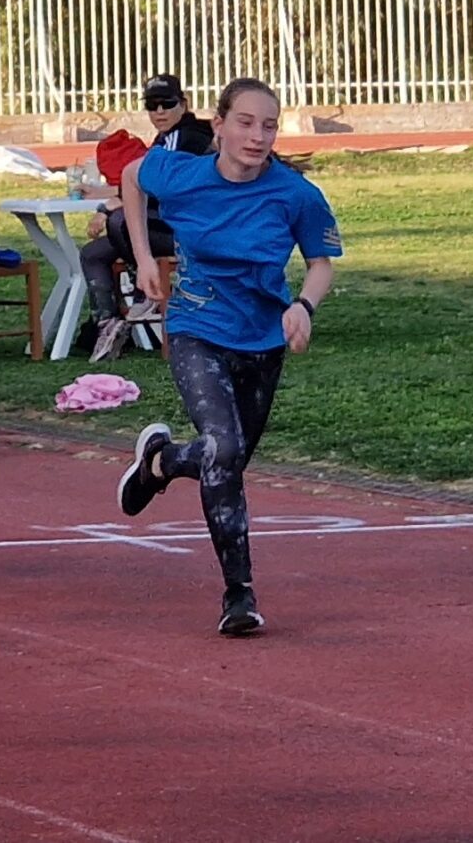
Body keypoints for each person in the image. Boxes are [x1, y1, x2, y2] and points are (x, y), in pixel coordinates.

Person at [114, 77, 341, 637]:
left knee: (228, 460)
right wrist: (143, 257)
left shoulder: (296, 195)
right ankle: (238, 594)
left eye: (269, 125)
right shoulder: (183, 173)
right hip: (196, 327)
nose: (257, 136)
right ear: (217, 125)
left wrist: (304, 308)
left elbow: (321, 263)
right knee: (224, 445)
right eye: (244, 122)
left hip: (262, 340)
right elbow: (131, 178)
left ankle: (161, 463)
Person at [85, 74, 216, 353]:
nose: (159, 112)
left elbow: (162, 188)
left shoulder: (189, 136)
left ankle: (146, 285)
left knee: (119, 222)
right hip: (164, 224)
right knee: (93, 253)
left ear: (183, 104)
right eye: (151, 105)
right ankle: (108, 326)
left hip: (188, 231)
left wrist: (112, 204)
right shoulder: (166, 137)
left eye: (167, 104)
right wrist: (111, 197)